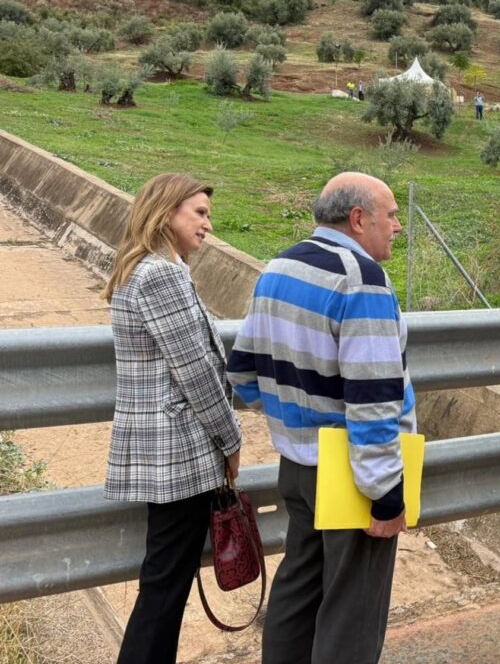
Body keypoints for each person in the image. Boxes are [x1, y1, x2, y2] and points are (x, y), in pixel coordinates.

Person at [226, 172, 416, 664]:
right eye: (392, 215)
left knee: (299, 590)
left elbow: (242, 373)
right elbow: (373, 401)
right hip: (352, 473)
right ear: (358, 219)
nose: (398, 226)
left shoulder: (279, 267)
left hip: (297, 466)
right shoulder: (362, 281)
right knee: (353, 613)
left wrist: (295, 414)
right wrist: (386, 494)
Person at [102, 173, 243, 664]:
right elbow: (196, 370)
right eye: (199, 213)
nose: (208, 224)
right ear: (166, 214)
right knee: (164, 590)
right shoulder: (161, 275)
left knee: (166, 585)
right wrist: (231, 440)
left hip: (163, 451)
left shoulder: (141, 269)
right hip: (177, 454)